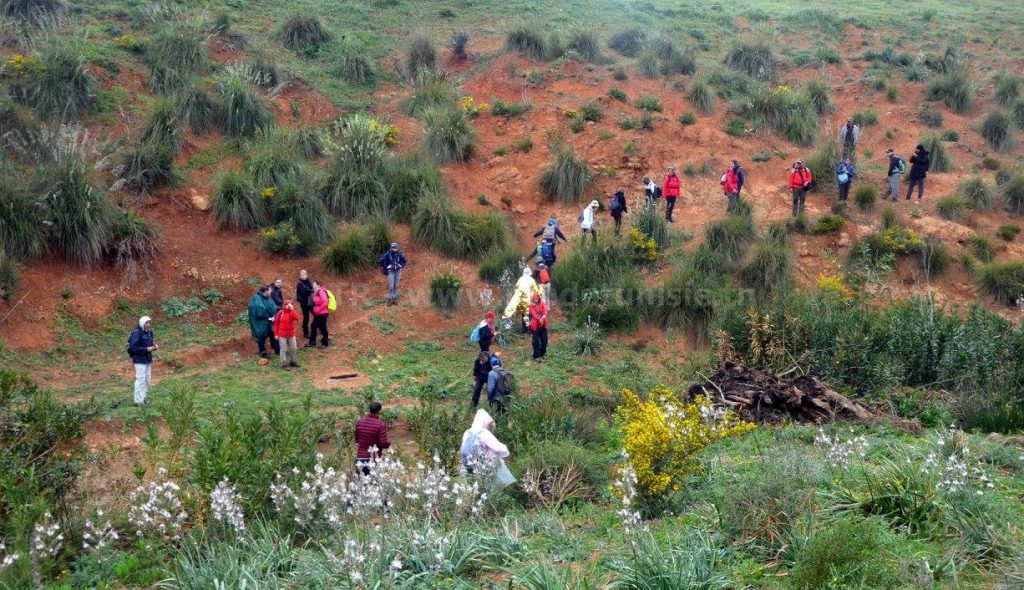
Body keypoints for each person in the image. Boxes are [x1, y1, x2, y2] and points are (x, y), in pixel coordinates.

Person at [460, 409, 514, 489]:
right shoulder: (483, 433)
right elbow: (498, 448)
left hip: (468, 464)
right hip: (484, 464)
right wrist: (506, 450)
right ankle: (504, 487)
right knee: (498, 462)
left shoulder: (467, 432)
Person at [127, 315, 158, 407]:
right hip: (139, 359)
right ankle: (138, 401)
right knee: (140, 379)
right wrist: (146, 349)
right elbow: (133, 347)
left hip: (147, 359)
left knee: (147, 379)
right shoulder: (137, 333)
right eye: (146, 322)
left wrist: (154, 347)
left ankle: (143, 398)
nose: (148, 324)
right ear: (142, 323)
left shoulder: (149, 332)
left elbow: (149, 344)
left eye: (149, 322)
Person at [354, 401, 391, 475]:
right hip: (373, 460)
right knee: (374, 484)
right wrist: (388, 444)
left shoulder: (360, 422)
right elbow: (383, 443)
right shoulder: (380, 425)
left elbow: (357, 439)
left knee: (361, 484)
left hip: (360, 458)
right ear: (379, 411)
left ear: (369, 410)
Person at [503, 267, 540, 332]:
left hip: (521, 300)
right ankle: (530, 329)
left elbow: (516, 289)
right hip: (529, 300)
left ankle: (524, 330)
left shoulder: (520, 279)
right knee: (530, 314)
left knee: (524, 314)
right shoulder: (532, 280)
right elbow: (536, 291)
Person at [248, 286, 279, 359]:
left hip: (268, 319)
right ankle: (263, 352)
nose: (271, 292)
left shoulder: (268, 297)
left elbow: (272, 306)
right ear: (265, 291)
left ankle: (276, 348)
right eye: (270, 290)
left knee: (272, 333)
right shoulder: (257, 299)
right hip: (259, 322)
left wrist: (273, 316)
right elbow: (259, 311)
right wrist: (268, 317)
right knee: (261, 336)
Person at [273, 299, 301, 370]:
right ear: (284, 305)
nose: (288, 306)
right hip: (282, 334)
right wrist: (276, 334)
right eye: (287, 304)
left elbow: (297, 318)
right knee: (283, 349)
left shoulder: (291, 313)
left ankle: (292, 361)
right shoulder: (280, 313)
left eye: (289, 304)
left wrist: (292, 310)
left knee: (294, 348)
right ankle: (283, 364)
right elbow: (276, 324)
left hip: (291, 334)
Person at [308, 280, 329, 348]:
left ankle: (322, 342)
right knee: (318, 327)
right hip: (319, 313)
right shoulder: (316, 292)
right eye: (313, 285)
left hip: (322, 313)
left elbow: (325, 302)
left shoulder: (321, 291)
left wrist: (318, 309)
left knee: (318, 327)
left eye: (315, 285)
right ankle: (322, 342)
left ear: (319, 285)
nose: (314, 286)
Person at [528, 292, 549, 362]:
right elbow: (533, 314)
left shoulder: (542, 303)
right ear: (533, 299)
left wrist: (543, 317)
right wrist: (539, 319)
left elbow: (545, 310)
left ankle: (542, 354)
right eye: (534, 298)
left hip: (543, 324)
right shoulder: (531, 305)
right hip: (535, 325)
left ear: (539, 298)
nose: (536, 299)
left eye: (537, 298)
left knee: (544, 340)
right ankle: (536, 356)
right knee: (536, 341)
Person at [296, 269, 314, 340]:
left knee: (316, 314)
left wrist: (311, 290)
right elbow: (305, 291)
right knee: (306, 318)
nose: (304, 276)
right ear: (300, 276)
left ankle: (316, 328)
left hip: (310, 302)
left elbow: (310, 288)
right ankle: (305, 333)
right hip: (304, 303)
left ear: (307, 275)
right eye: (302, 275)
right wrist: (311, 290)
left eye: (305, 274)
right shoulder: (299, 284)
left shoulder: (308, 281)